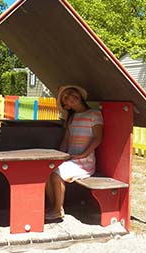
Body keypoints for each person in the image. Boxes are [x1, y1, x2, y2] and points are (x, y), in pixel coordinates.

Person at [45, 85, 103, 220]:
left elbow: (97, 138)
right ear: (66, 106)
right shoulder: (71, 118)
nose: (70, 97)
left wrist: (83, 154)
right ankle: (54, 205)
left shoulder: (94, 114)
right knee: (47, 169)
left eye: (71, 93)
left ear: (79, 94)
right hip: (71, 159)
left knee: (56, 173)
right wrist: (57, 156)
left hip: (84, 162)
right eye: (66, 98)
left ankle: (58, 209)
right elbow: (66, 140)